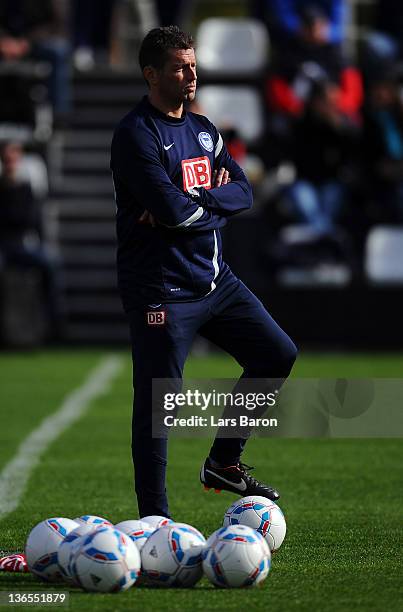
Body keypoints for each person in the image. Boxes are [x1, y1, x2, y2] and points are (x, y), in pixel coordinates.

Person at [110, 26, 297, 519]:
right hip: (162, 292)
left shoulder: (203, 128)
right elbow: (174, 214)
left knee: (277, 353)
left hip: (216, 282)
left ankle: (223, 461)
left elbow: (243, 191)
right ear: (151, 74)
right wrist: (200, 205)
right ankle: (156, 520)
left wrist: (197, 200)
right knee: (157, 406)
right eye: (179, 66)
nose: (191, 73)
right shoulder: (136, 135)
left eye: (193, 64)